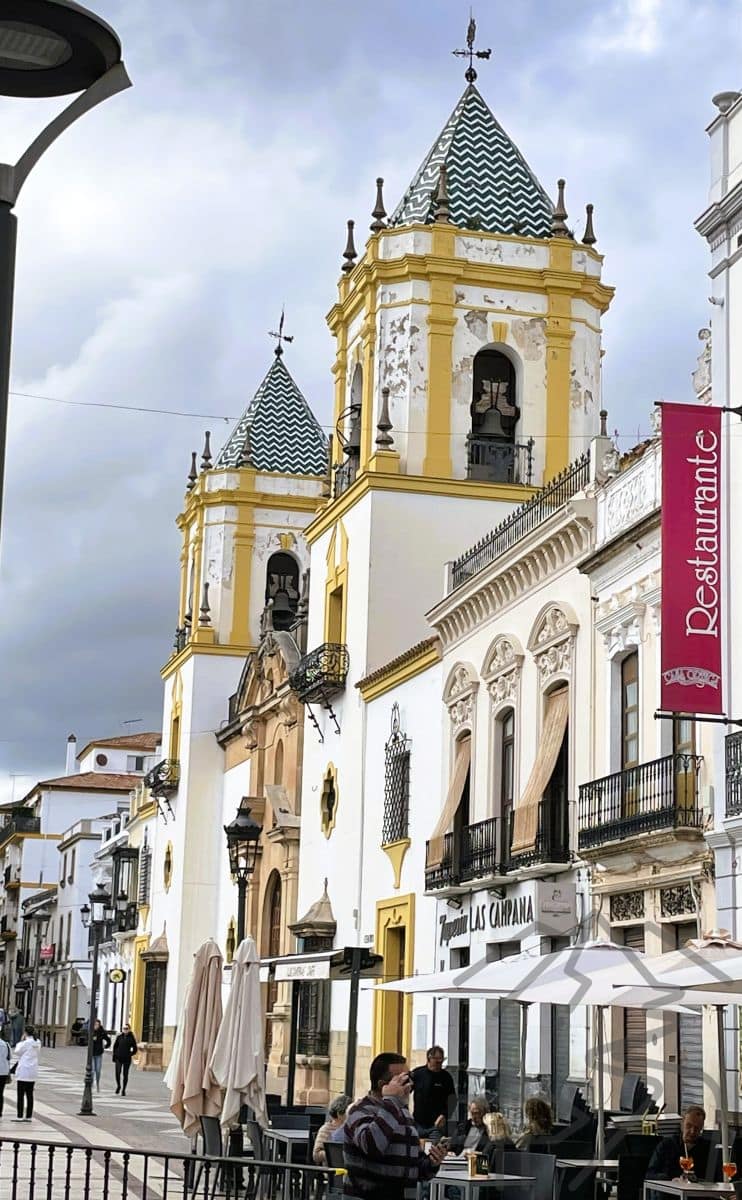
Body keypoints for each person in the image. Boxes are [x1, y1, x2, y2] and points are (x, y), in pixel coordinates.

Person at [343, 1051, 446, 1199]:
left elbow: (413, 1167)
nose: (409, 1084)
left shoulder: (402, 1113)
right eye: (402, 1080)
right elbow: (372, 1145)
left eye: (409, 1077)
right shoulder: (359, 1111)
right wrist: (391, 1100)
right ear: (382, 1085)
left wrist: (431, 1162)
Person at [646, 1105, 713, 1181]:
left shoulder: (707, 1150)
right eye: (689, 1125)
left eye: (697, 1128)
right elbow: (649, 1174)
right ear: (682, 1124)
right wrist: (670, 1179)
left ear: (701, 1128)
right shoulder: (666, 1145)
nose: (692, 1131)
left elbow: (714, 1179)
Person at [410, 1045, 457, 1137]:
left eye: (441, 1060)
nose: (439, 1063)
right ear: (429, 1058)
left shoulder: (446, 1077)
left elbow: (452, 1100)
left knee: (433, 1149)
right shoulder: (418, 1073)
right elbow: (406, 1091)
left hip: (436, 1125)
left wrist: (445, 1115)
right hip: (418, 1123)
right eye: (436, 1060)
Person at [313, 1093, 351, 1165]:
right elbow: (316, 1155)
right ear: (339, 1114)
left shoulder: (351, 1127)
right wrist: (334, 1153)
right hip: (332, 1169)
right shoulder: (326, 1129)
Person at [13, 1025, 40, 1121]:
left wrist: (21, 1041)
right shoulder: (37, 1042)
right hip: (32, 1071)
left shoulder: (25, 1043)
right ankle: (29, 1116)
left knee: (20, 1095)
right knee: (30, 1095)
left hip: (23, 1071)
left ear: (25, 1033)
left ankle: (20, 1115)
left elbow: (17, 1052)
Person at [112, 1023, 138, 1096]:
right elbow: (115, 1047)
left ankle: (123, 1089)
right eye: (124, 1028)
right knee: (117, 1073)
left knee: (125, 1074)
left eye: (126, 1029)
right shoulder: (119, 1037)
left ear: (129, 1030)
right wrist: (115, 1056)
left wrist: (130, 1054)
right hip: (118, 1058)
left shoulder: (131, 1038)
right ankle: (118, 1086)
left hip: (127, 1059)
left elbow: (135, 1049)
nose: (125, 1030)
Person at [91, 1019, 111, 1092]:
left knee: (98, 1070)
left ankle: (97, 1083)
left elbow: (108, 1040)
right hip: (91, 1054)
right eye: (95, 1024)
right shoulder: (91, 1031)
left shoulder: (102, 1032)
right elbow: (87, 1039)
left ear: (99, 1025)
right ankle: (92, 1084)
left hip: (99, 1053)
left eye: (97, 1025)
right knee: (92, 1070)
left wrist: (106, 1046)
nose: (96, 1026)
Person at [0, 1029, 10, 1117]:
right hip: (3, 1071)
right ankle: (0, 1112)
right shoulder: (6, 1044)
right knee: (1, 1092)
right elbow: (9, 1056)